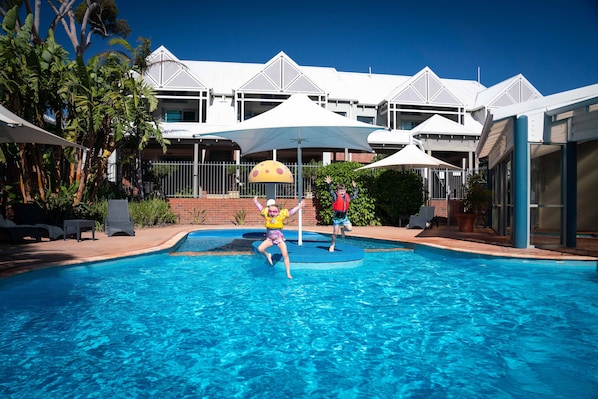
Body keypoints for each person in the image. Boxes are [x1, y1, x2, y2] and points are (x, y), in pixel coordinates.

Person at [253, 197, 304, 279]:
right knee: (260, 249)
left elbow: (291, 212)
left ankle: (288, 273)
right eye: (270, 211)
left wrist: (299, 207)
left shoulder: (281, 216)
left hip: (279, 240)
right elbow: (261, 208)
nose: (272, 213)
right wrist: (256, 202)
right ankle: (268, 254)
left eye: (274, 211)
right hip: (269, 239)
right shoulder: (267, 216)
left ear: (278, 212)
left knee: (285, 255)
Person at [325, 175, 358, 252]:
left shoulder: (347, 197)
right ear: (337, 191)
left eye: (343, 191)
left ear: (345, 190)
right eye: (340, 191)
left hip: (344, 218)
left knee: (350, 228)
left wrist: (355, 188)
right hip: (337, 219)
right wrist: (329, 184)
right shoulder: (335, 196)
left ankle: (342, 229)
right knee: (335, 233)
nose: (342, 193)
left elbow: (355, 196)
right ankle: (332, 245)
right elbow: (330, 191)